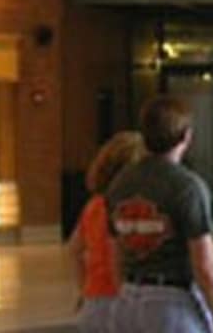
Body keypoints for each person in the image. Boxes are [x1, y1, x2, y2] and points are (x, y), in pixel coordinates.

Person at [106, 96, 213, 333]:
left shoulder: (120, 184)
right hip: (171, 302)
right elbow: (205, 265)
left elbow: (114, 252)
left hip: (127, 299)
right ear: (186, 136)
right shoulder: (186, 187)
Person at [68, 131, 146, 332]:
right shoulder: (131, 208)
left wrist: (84, 288)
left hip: (94, 298)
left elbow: (75, 248)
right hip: (122, 298)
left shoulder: (94, 205)